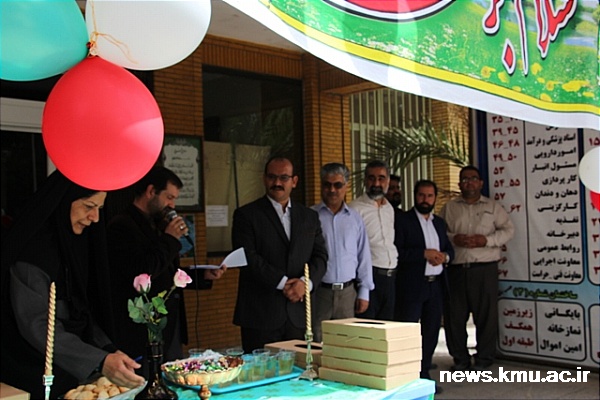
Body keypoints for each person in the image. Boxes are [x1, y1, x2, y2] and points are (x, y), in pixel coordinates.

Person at [0, 170, 145, 398]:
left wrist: (107, 350)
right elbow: (37, 324)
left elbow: (80, 310)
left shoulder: (71, 244)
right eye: (88, 206)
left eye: (99, 208)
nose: (95, 218)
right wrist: (99, 360)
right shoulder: (33, 254)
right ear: (63, 202)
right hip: (29, 375)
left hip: (69, 370)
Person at [106, 166, 225, 369]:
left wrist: (202, 274)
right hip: (142, 328)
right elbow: (143, 271)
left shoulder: (157, 224)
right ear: (151, 191)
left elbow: (167, 272)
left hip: (169, 325)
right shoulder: (122, 226)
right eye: (169, 197)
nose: (172, 205)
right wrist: (170, 239)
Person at [231, 156, 328, 352]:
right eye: (272, 177)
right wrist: (284, 283)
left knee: (298, 368)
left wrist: (304, 284)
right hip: (260, 314)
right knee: (260, 370)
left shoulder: (309, 217)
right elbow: (247, 257)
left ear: (294, 181)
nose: (277, 183)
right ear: (264, 179)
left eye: (284, 178)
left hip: (298, 313)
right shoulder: (246, 215)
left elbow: (320, 256)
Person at [440, 165, 514, 371]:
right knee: (455, 318)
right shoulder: (450, 208)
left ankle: (484, 359)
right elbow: (438, 232)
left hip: (484, 270)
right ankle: (460, 359)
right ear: (459, 184)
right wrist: (454, 238)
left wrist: (487, 240)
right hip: (456, 270)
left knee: (486, 317)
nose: (469, 183)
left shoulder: (493, 207)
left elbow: (509, 230)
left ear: (480, 183)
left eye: (473, 178)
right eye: (464, 179)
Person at [394, 180, 454, 390]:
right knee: (409, 332)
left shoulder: (439, 223)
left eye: (429, 196)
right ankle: (406, 378)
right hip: (412, 286)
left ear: (435, 198)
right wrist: (422, 254)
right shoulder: (403, 221)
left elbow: (450, 250)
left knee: (431, 332)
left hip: (435, 286)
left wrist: (445, 257)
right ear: (415, 195)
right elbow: (397, 252)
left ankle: (424, 374)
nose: (425, 200)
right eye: (421, 195)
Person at [311, 163, 374, 342]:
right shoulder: (310, 216)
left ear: (346, 186)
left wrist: (364, 291)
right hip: (319, 293)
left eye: (337, 185)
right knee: (318, 343)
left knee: (347, 344)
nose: (332, 190)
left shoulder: (355, 218)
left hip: (348, 294)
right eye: (327, 184)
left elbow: (363, 255)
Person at [349, 160, 398, 320]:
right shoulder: (355, 209)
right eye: (371, 178)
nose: (376, 183)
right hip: (368, 277)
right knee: (367, 329)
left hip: (390, 278)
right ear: (365, 180)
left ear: (388, 181)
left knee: (386, 329)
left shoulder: (389, 208)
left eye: (381, 178)